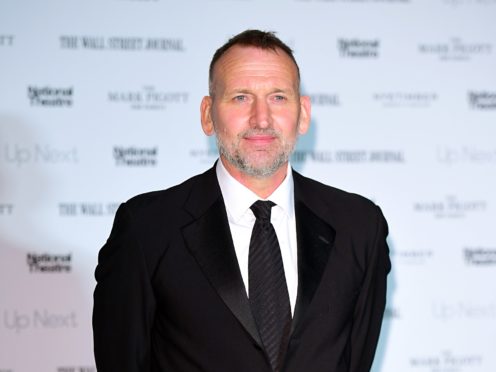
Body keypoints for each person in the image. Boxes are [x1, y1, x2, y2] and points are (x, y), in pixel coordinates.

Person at [93, 29, 391, 372]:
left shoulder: (359, 226)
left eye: (278, 97)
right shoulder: (147, 228)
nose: (261, 119)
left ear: (303, 113)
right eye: (240, 97)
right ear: (208, 114)